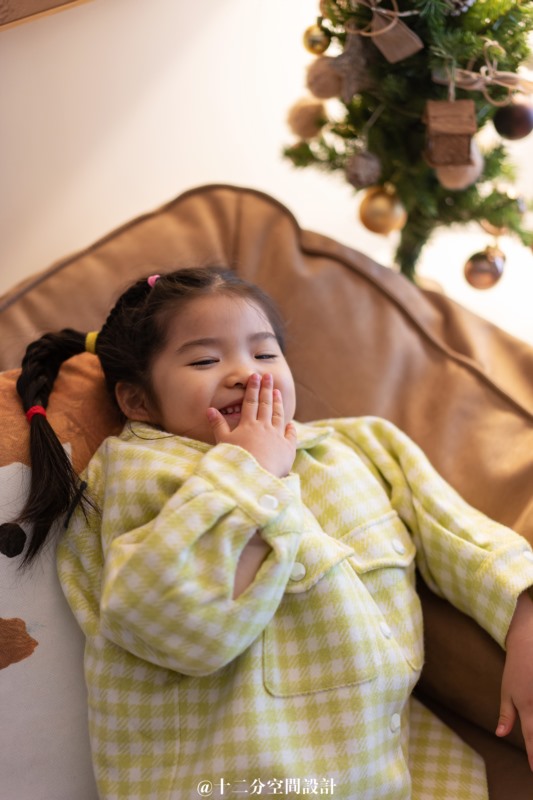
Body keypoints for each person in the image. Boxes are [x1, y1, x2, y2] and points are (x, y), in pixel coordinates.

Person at [15, 266, 533, 800]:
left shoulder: (361, 446)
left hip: (387, 767)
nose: (245, 373)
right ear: (138, 402)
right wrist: (252, 472)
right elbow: (171, 620)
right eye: (205, 360)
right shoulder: (142, 470)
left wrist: (524, 616)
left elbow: (463, 536)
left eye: (264, 355)